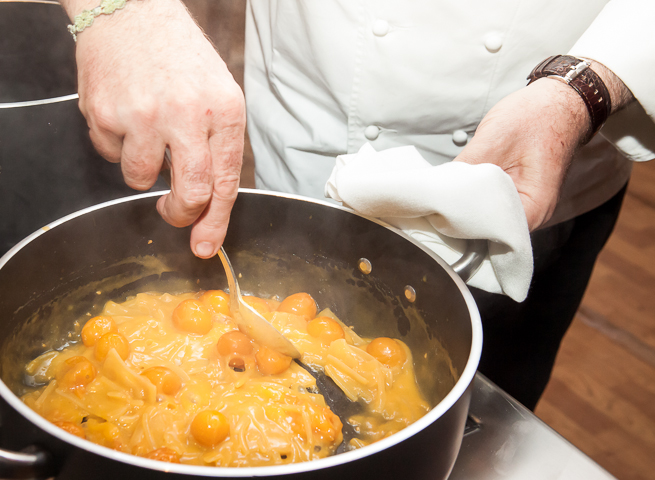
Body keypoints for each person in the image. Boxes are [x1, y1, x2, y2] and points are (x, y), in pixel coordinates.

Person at [57, 0, 654, 409]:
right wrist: (125, 13)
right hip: (302, 125)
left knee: (492, 407)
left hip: (546, 155)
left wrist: (587, 87)